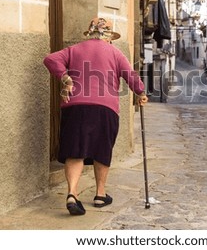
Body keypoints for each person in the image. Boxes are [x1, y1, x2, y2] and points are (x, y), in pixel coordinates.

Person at [43, 17, 148, 215]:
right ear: (108, 36)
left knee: (76, 150)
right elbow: (131, 76)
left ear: (89, 32)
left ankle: (72, 194)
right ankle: (100, 195)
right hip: (105, 108)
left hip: (75, 107)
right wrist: (141, 93)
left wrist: (66, 79)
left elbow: (50, 59)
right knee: (102, 149)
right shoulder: (116, 53)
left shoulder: (74, 50)